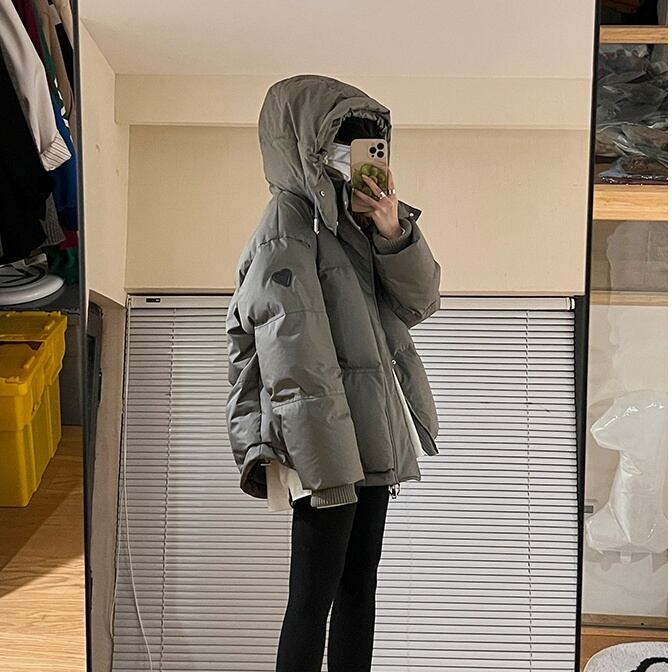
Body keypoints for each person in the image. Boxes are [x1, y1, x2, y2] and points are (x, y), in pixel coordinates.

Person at [225, 74, 441, 671]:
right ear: (305, 148)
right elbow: (294, 360)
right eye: (344, 143)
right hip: (326, 446)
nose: (355, 157)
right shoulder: (286, 226)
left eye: (366, 145)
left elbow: (420, 303)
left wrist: (393, 231)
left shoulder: (354, 227)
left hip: (369, 432)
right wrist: (327, 467)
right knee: (312, 600)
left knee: (357, 592)